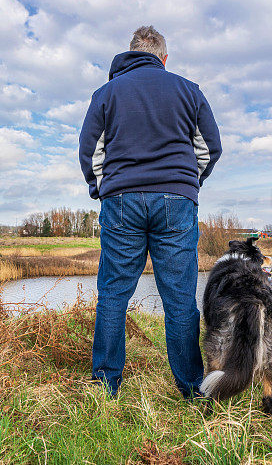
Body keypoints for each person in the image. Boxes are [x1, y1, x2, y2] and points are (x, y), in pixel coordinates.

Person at [78, 26, 222, 398]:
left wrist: (101, 189)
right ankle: (191, 388)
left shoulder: (106, 93)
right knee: (179, 298)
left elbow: (90, 150)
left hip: (121, 200)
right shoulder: (189, 91)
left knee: (113, 294)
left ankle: (106, 385)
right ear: (163, 57)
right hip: (176, 201)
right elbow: (210, 148)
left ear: (130, 53)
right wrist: (188, 185)